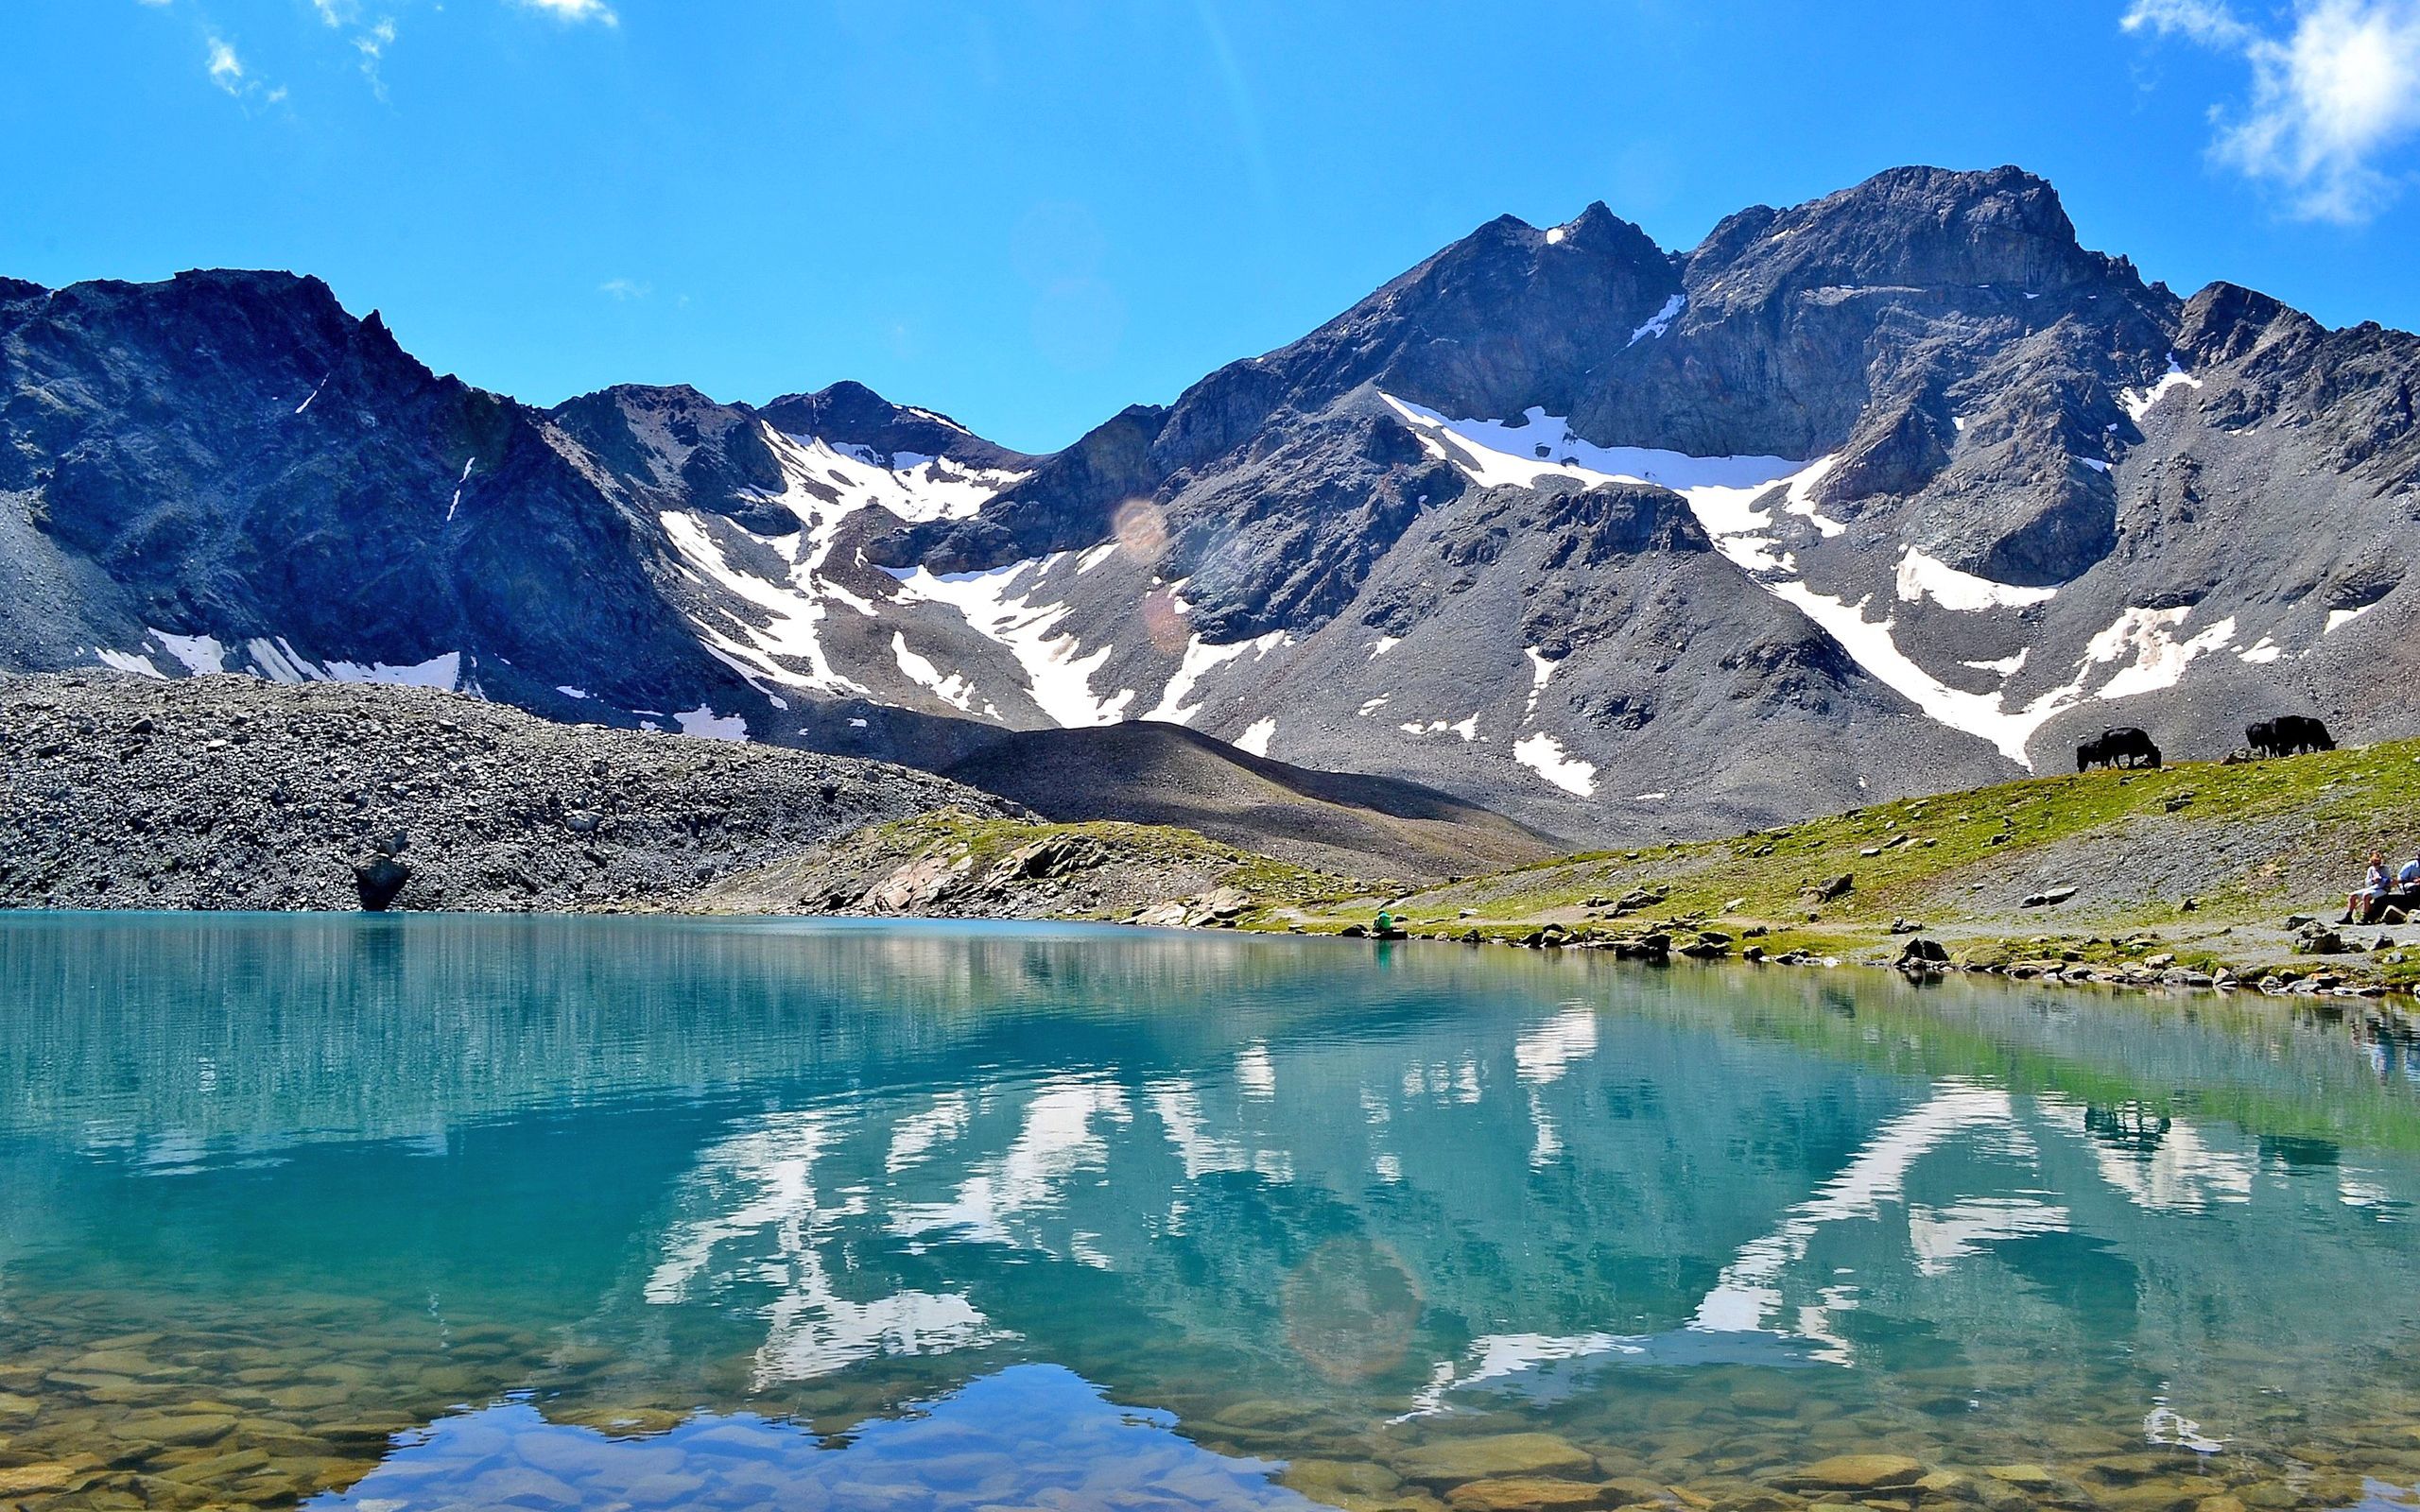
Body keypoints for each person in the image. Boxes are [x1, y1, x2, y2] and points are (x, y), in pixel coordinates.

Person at [2347, 850, 2391, 924]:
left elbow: (2388, 881)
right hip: (2372, 888)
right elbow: (2367, 882)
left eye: (2378, 863)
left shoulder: (2385, 869)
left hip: (2382, 889)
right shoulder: (2371, 869)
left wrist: (2380, 879)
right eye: (2375, 863)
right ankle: (2348, 916)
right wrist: (2372, 880)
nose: (2377, 865)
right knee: (2352, 895)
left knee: (2366, 895)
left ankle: (2365, 917)